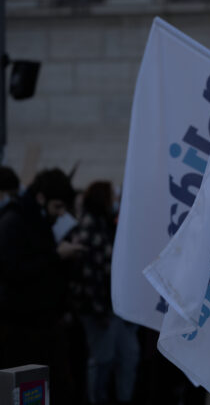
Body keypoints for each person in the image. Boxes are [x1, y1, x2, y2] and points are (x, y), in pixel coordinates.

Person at [0, 168, 85, 403]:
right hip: (23, 328)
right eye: (57, 207)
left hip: (44, 322)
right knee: (27, 392)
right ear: (40, 198)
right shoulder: (14, 221)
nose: (60, 214)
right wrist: (56, 256)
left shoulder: (34, 219)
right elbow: (13, 270)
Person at [66, 180, 139, 405]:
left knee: (128, 356)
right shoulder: (90, 228)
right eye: (113, 197)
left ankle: (120, 398)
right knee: (103, 359)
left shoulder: (105, 225)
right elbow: (90, 275)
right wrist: (100, 312)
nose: (116, 202)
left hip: (112, 309)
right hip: (100, 310)